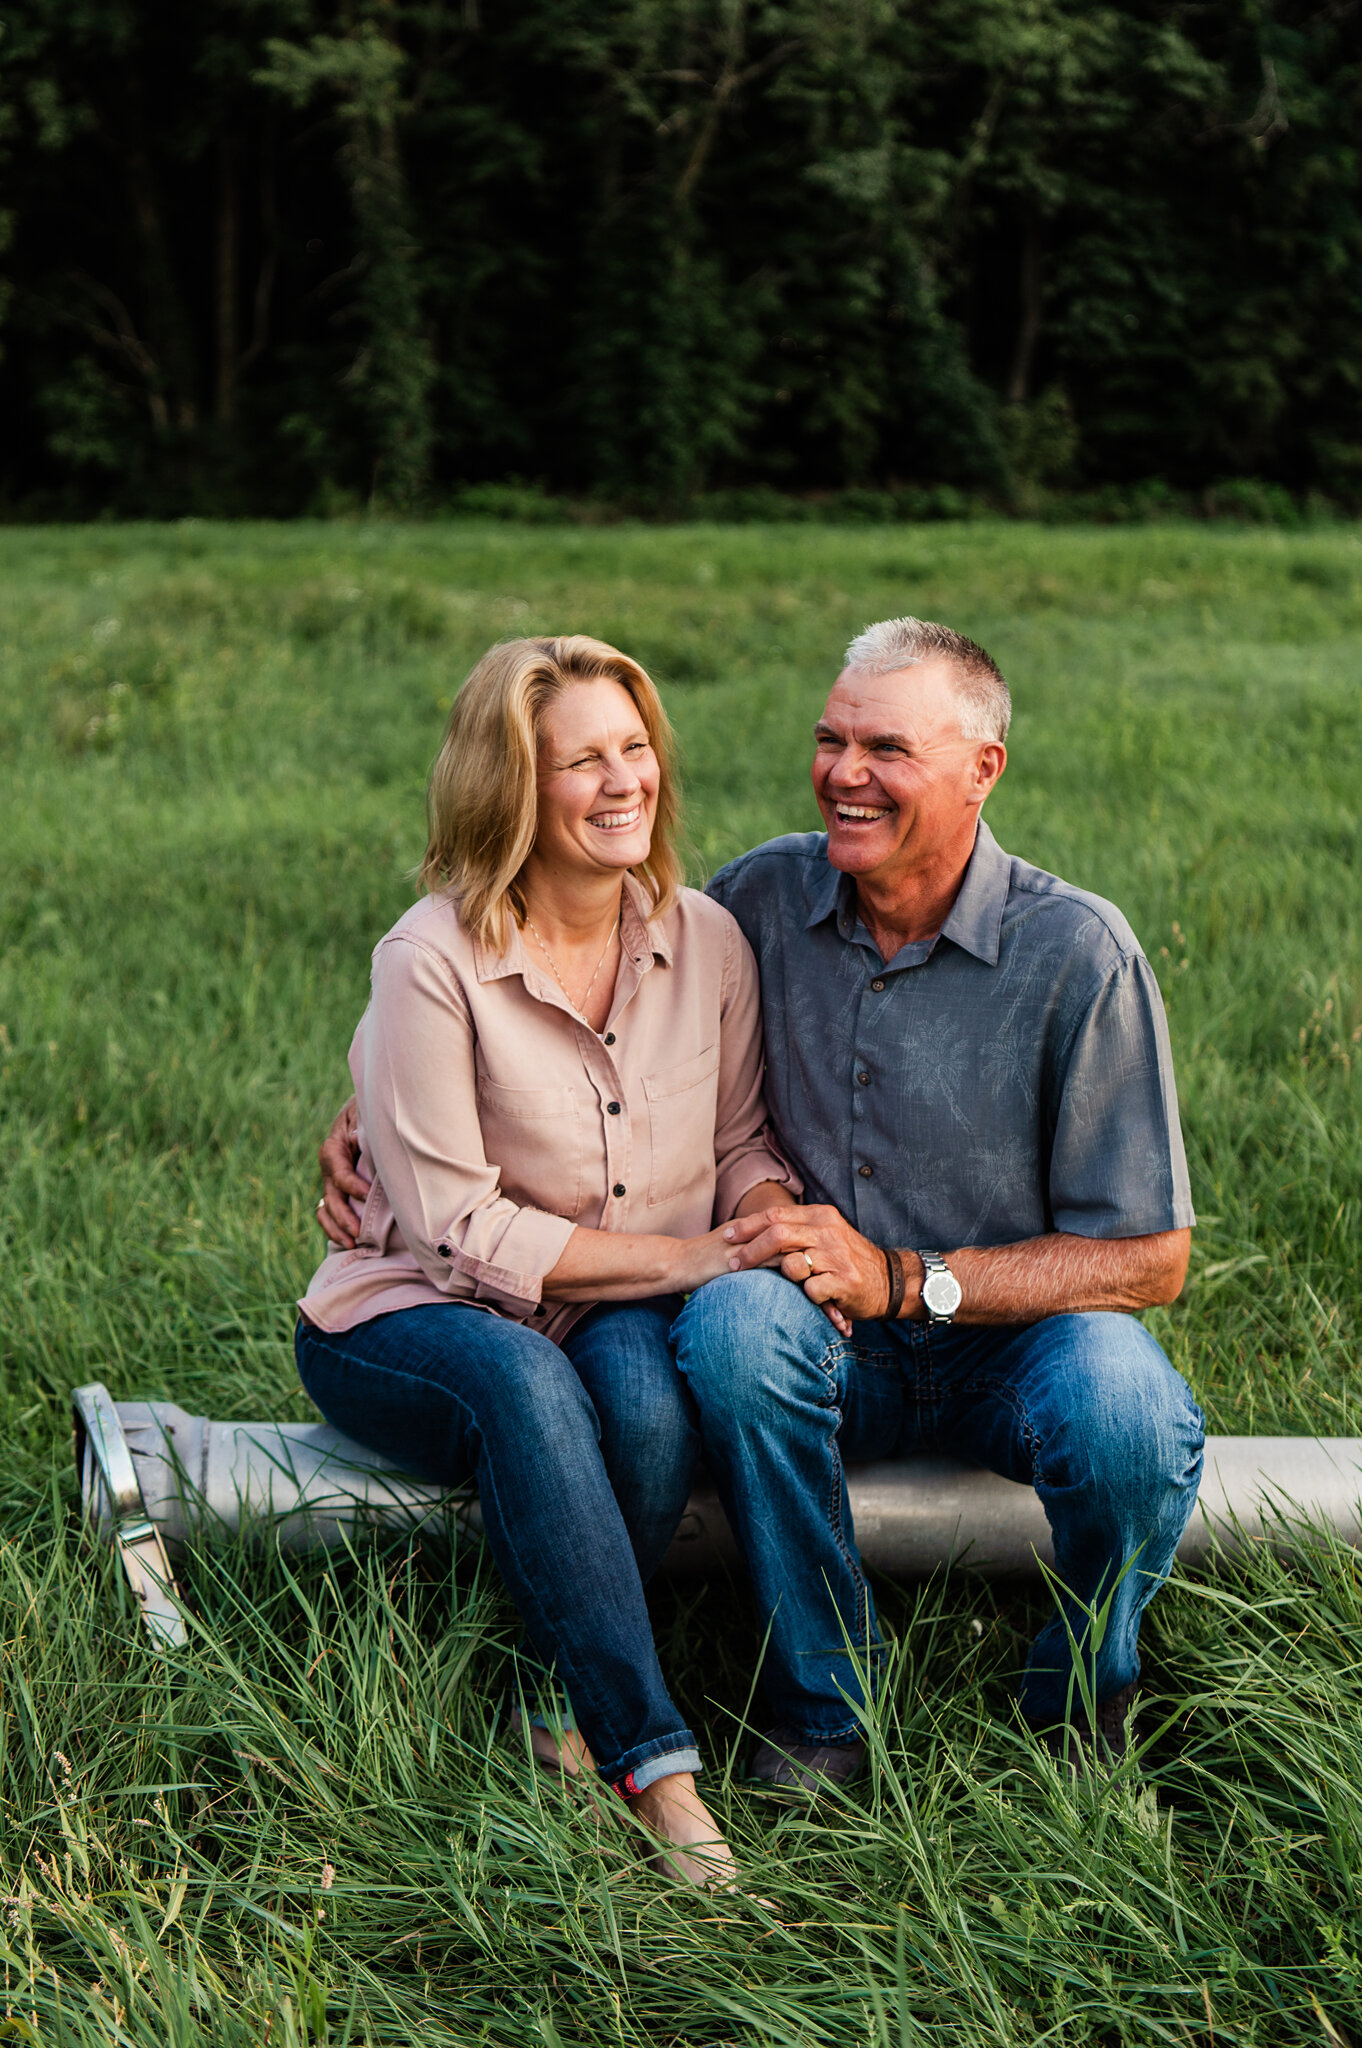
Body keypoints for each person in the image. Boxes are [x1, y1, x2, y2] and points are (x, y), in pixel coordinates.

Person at [321, 613, 1205, 1793]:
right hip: (818, 1324)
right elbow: (543, 984)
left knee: (1133, 1411)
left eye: (885, 747)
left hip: (1016, 1340)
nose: (845, 773)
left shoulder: (1079, 953)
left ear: (981, 769)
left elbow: (1150, 1258)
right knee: (737, 1333)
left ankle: (1086, 1695)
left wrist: (908, 1278)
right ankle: (827, 1702)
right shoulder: (764, 904)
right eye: (831, 738)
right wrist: (360, 1113)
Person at [298, 633, 799, 1882]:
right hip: (410, 1311)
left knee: (638, 1404)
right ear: (511, 787)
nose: (623, 780)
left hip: (613, 1290)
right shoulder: (431, 960)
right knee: (526, 1388)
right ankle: (660, 1770)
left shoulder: (709, 941)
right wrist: (688, 1259)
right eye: (582, 761)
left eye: (635, 750)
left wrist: (769, 1212)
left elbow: (739, 1140)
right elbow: (461, 1234)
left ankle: (547, 1693)